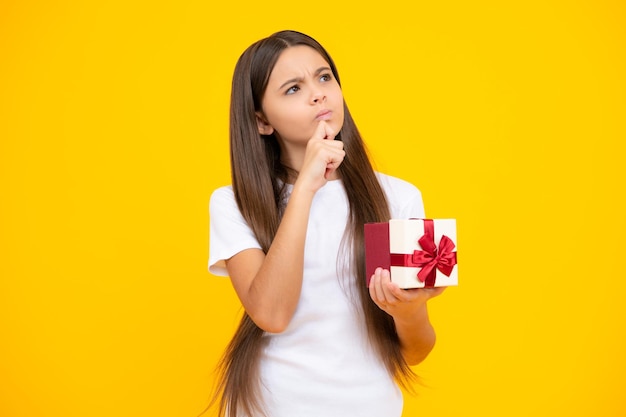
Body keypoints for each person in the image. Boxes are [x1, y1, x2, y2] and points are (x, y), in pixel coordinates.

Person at [208, 30, 445, 417]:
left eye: (324, 77)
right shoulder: (233, 203)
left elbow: (416, 352)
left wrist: (408, 310)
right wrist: (305, 189)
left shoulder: (398, 198)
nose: (319, 94)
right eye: (292, 88)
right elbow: (272, 314)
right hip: (270, 406)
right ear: (262, 121)